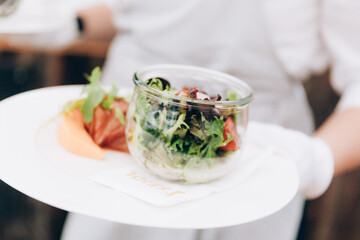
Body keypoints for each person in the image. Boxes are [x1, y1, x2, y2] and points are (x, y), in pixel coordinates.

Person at [10, 0, 360, 239]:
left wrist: (315, 158)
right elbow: (131, 10)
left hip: (254, 148)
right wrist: (73, 23)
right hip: (126, 138)